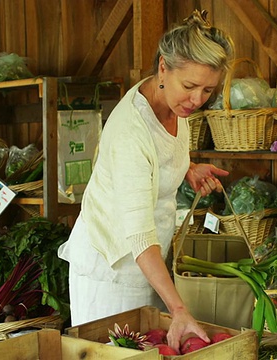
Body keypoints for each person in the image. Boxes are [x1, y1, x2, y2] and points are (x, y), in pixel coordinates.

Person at [58, 9, 234, 351]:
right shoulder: (129, 131)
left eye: (208, 90)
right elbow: (137, 234)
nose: (197, 100)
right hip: (112, 272)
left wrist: (187, 167)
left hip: (150, 262)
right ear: (163, 68)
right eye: (190, 86)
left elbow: (157, 153)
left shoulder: (172, 101)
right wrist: (179, 308)